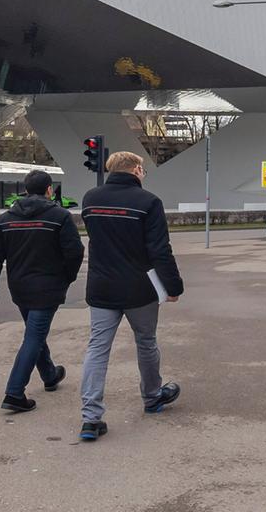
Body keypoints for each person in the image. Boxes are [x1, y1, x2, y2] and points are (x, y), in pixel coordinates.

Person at [77, 150, 184, 442]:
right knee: (146, 342)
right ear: (136, 169)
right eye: (144, 170)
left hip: (101, 287)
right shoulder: (148, 202)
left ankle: (90, 418)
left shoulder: (91, 199)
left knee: (97, 348)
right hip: (140, 288)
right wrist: (173, 287)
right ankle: (152, 397)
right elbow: (160, 250)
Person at [0, 169, 84, 413]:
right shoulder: (60, 217)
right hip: (48, 287)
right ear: (49, 190)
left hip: (20, 287)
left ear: (26, 190)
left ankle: (49, 374)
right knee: (34, 336)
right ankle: (14, 393)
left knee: (34, 332)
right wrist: (67, 277)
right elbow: (74, 252)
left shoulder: (5, 219)